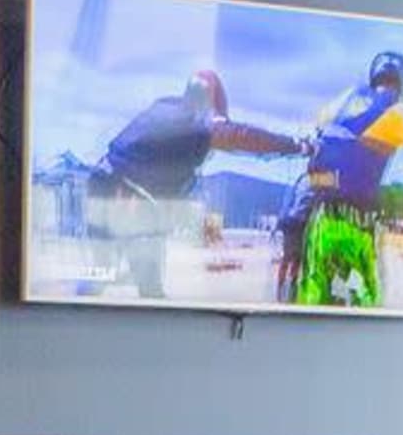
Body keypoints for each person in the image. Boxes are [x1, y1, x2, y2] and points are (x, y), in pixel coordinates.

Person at [87, 68, 303, 299]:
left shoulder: (165, 107)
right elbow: (240, 136)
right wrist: (296, 145)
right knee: (149, 288)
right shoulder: (197, 122)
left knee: (100, 274)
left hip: (101, 184)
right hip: (131, 197)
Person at [274, 49, 403, 308]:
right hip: (357, 228)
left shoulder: (344, 99)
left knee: (313, 303)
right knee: (364, 305)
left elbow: (319, 140)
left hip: (320, 223)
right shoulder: (399, 112)